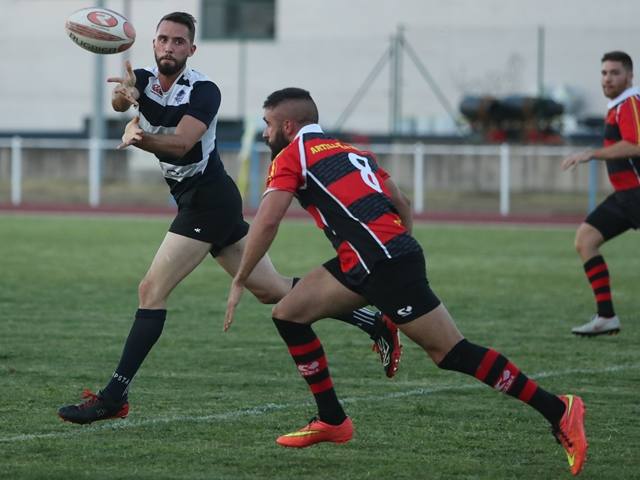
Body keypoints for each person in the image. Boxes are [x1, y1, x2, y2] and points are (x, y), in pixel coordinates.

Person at [57, 12, 401, 426]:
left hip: (208, 201)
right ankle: (373, 319)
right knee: (272, 289)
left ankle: (114, 397)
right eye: (163, 39)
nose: (169, 47)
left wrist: (140, 138)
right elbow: (121, 101)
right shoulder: (144, 78)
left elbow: (182, 145)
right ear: (153, 44)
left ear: (191, 50)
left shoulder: (204, 91)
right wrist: (124, 96)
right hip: (196, 200)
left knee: (151, 290)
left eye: (178, 42)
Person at [224, 87, 588, 476]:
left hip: (382, 263)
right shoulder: (349, 151)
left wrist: (240, 279)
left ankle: (559, 409)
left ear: (288, 125)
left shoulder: (292, 155)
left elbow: (267, 220)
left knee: (452, 354)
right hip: (370, 259)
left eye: (267, 125)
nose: (265, 133)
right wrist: (402, 244)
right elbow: (402, 203)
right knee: (289, 314)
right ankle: (332, 419)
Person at [561, 51, 640, 336]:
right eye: (604, 73)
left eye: (615, 72)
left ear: (629, 76)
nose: (608, 78)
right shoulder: (617, 104)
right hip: (625, 196)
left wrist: (591, 154)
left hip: (637, 193)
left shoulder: (630, 101)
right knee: (586, 239)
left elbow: (635, 144)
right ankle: (606, 316)